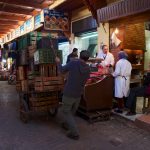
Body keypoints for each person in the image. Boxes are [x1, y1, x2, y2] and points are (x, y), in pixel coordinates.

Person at [55, 50, 90, 140]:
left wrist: (58, 62)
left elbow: (62, 70)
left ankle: (74, 133)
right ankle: (67, 125)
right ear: (87, 59)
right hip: (78, 94)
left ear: (79, 56)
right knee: (71, 111)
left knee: (66, 111)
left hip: (69, 93)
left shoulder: (73, 63)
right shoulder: (88, 68)